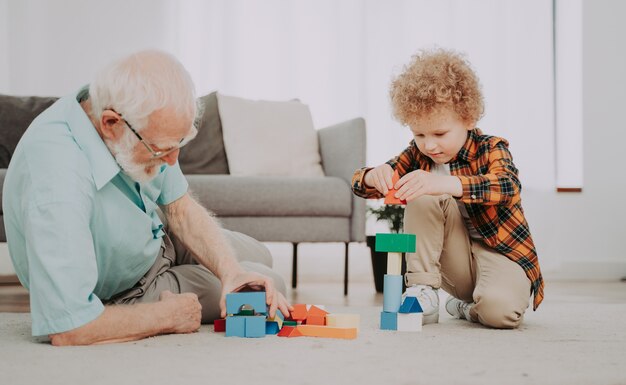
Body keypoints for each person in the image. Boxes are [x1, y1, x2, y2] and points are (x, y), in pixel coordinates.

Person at [2, 50, 291, 345]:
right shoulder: (57, 178)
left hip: (155, 236)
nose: (172, 160)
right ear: (111, 124)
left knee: (258, 256)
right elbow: (69, 328)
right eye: (161, 150)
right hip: (130, 289)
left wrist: (231, 272)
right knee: (269, 283)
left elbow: (179, 209)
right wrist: (166, 316)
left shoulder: (133, 118)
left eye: (180, 144)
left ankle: (214, 269)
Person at [351, 48, 543, 328]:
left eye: (440, 134)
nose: (429, 145)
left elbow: (507, 186)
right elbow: (360, 182)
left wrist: (444, 183)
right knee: (423, 191)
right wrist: (373, 176)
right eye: (419, 134)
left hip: (501, 252)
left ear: (468, 118)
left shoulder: (491, 147)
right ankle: (422, 290)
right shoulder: (418, 155)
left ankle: (465, 308)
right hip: (457, 261)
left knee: (500, 313)